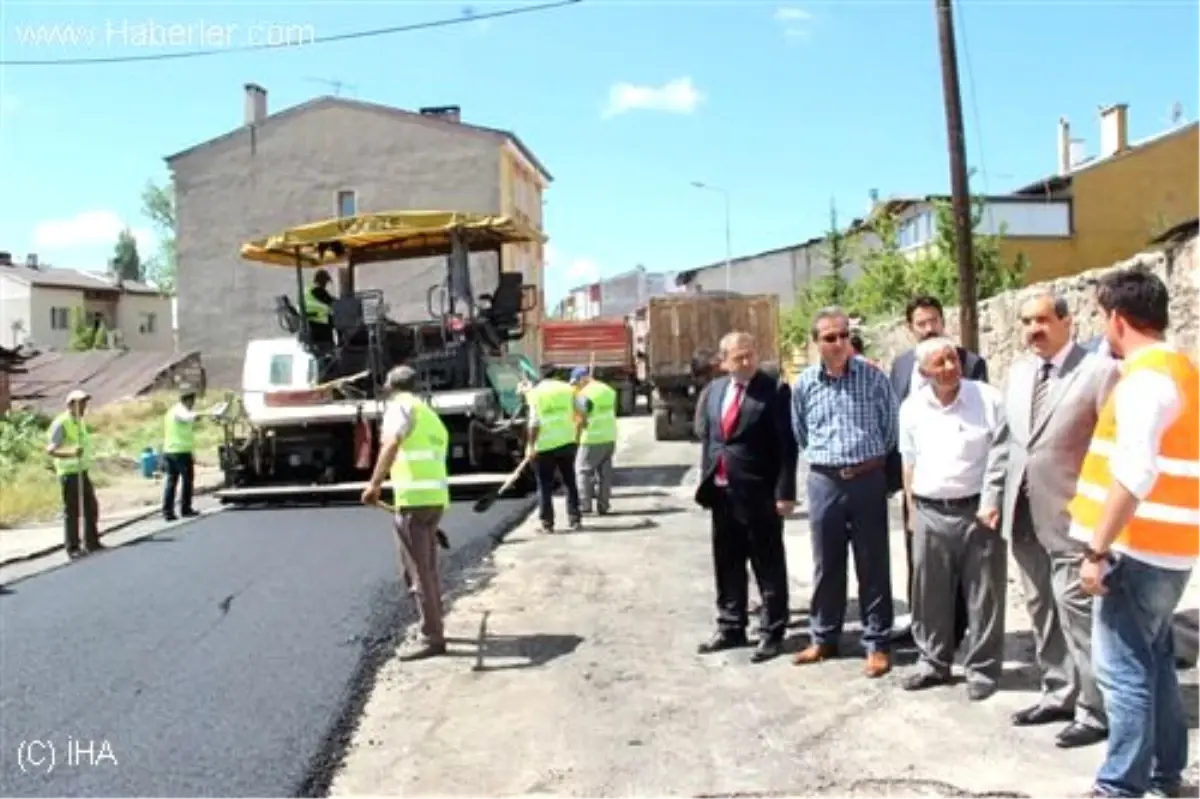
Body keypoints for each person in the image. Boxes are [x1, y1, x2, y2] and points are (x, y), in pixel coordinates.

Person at [1068, 269, 1200, 797]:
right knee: (1156, 664)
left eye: (1102, 316)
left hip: (1135, 550)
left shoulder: (1145, 381)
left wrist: (1097, 549)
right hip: (1169, 550)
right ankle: (1166, 772)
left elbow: (1135, 473)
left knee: (1122, 673)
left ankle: (1119, 786)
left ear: (1117, 319)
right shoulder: (1182, 370)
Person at [979, 288, 1119, 749]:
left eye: (1040, 320)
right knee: (1041, 609)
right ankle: (1058, 691)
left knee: (1078, 615)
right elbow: (1006, 444)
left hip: (1073, 517)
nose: (1032, 330)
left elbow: (1113, 450)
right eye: (1024, 322)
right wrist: (991, 495)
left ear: (1066, 322)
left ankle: (1095, 710)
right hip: (1022, 517)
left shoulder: (1099, 373)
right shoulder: (1018, 375)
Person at [792, 307, 899, 678]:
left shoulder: (873, 377)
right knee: (827, 563)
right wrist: (831, 465)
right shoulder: (805, 384)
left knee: (873, 563)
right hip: (824, 481)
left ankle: (877, 642)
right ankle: (824, 637)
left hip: (867, 479)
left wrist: (867, 466)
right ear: (817, 343)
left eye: (843, 336)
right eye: (829, 338)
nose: (839, 344)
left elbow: (890, 430)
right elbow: (801, 432)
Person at [899, 337, 1007, 701]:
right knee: (929, 594)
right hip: (930, 509)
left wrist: (994, 503)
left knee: (984, 594)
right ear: (923, 371)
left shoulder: (987, 399)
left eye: (952, 359)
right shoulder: (912, 408)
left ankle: (983, 669)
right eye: (939, 362)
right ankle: (933, 662)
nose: (948, 367)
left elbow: (1003, 455)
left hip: (979, 510)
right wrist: (912, 514)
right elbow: (908, 463)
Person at [889, 295, 988, 647]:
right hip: (919, 481)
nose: (930, 328)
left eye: (935, 320)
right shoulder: (901, 365)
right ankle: (923, 626)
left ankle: (959, 630)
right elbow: (899, 424)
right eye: (922, 323)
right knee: (920, 558)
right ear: (910, 328)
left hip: (962, 483)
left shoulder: (970, 363)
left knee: (963, 568)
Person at [694, 331, 797, 663]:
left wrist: (785, 493)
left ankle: (772, 631)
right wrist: (706, 482)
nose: (747, 361)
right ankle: (731, 626)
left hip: (760, 495)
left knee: (767, 565)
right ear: (724, 361)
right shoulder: (715, 391)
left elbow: (786, 447)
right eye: (739, 357)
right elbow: (711, 440)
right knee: (727, 563)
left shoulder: (774, 391)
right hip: (723, 494)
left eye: (751, 354)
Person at [362, 365, 452, 660]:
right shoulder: (429, 415)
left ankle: (432, 637)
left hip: (414, 499)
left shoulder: (399, 407)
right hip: (434, 498)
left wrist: (375, 484)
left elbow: (391, 443)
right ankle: (433, 624)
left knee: (416, 571)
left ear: (390, 386)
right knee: (426, 568)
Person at [522, 367, 590, 533]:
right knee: (570, 481)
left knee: (544, 485)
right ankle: (575, 519)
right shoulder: (569, 389)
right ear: (557, 376)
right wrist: (578, 429)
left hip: (544, 446)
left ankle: (547, 523)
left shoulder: (536, 393)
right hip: (567, 441)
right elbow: (583, 409)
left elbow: (534, 423)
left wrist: (530, 446)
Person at [45, 388, 104, 558]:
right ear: (70, 405)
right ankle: (73, 547)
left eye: (85, 403)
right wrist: (71, 453)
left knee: (91, 507)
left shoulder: (79, 422)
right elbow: (51, 450)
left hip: (81, 470)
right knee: (72, 511)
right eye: (81, 403)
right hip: (69, 473)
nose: (84, 406)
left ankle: (92, 542)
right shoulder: (61, 423)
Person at [571, 367, 617, 515]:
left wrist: (576, 435)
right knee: (605, 473)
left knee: (582, 471)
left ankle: (584, 505)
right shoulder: (608, 390)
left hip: (591, 438)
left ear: (582, 379)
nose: (576, 387)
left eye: (576, 383)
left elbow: (580, 418)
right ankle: (604, 505)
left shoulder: (583, 394)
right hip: (609, 437)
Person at [161, 385, 206, 521]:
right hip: (180, 452)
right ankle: (185, 509)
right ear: (188, 400)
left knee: (171, 482)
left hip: (170, 451)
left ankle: (168, 511)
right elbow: (188, 417)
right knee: (187, 481)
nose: (193, 405)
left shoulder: (171, 411)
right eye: (192, 402)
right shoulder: (180, 411)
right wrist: (203, 414)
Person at [305, 269, 336, 346]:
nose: (326, 285)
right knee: (343, 323)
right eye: (325, 282)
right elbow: (331, 302)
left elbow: (326, 299)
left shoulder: (309, 288)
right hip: (319, 322)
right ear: (322, 280)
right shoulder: (317, 289)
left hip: (312, 322)